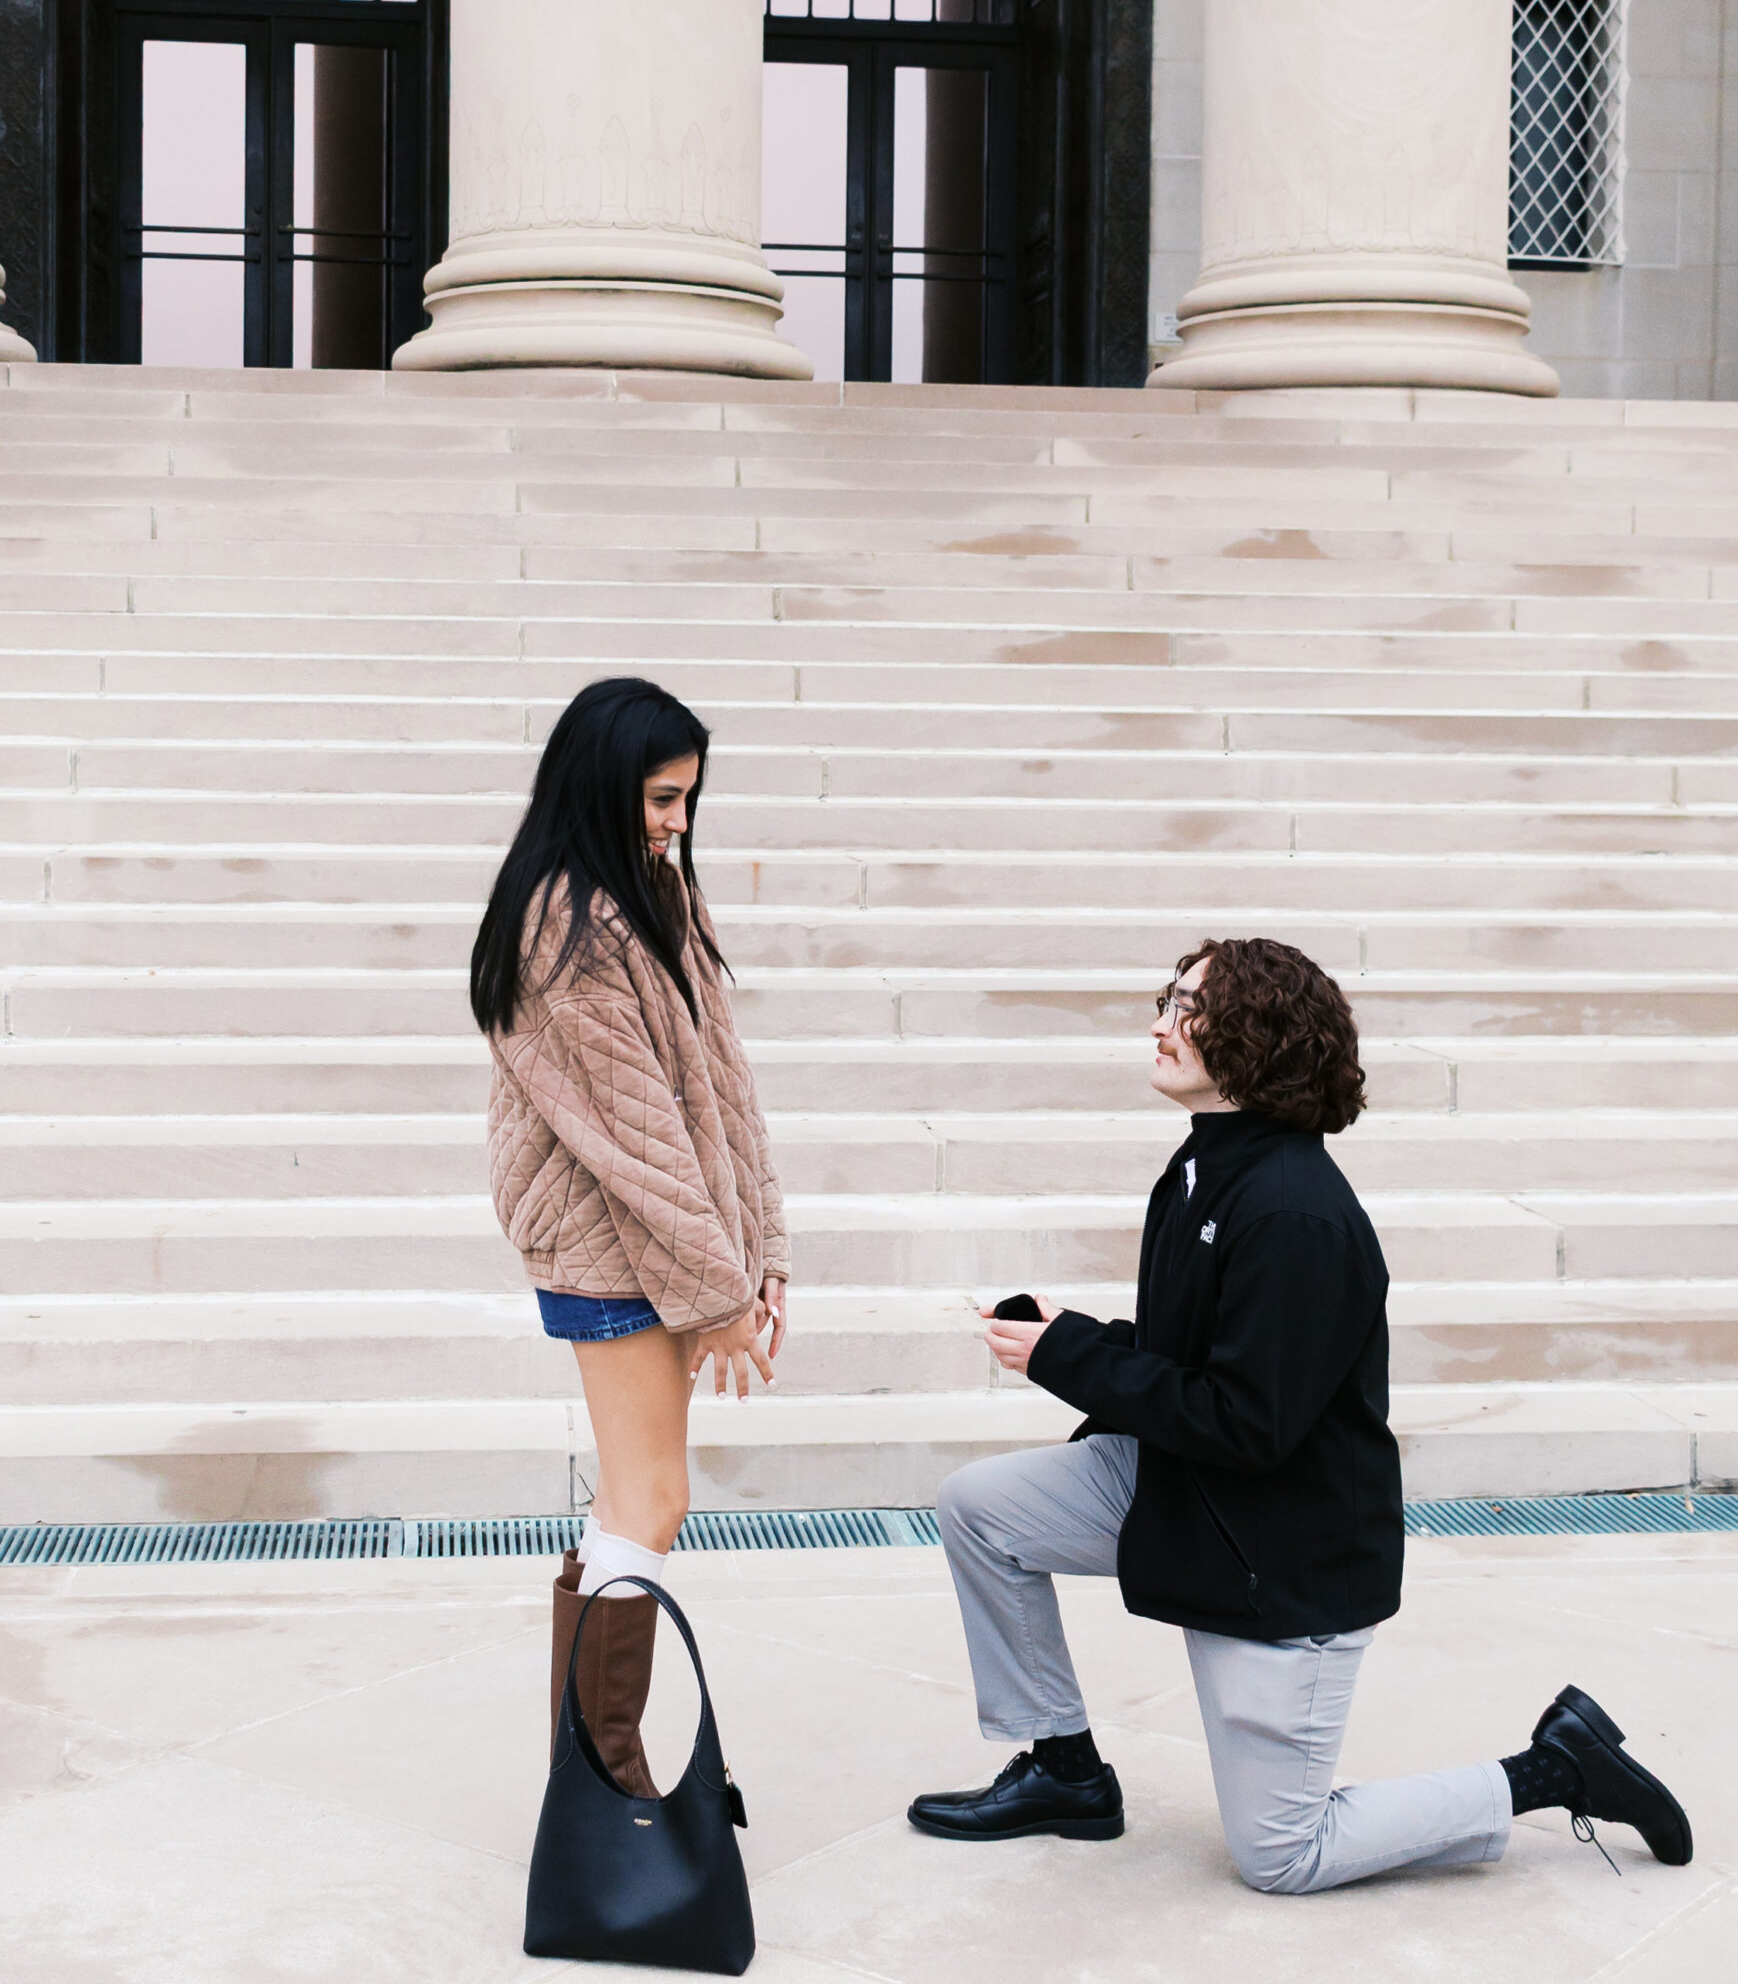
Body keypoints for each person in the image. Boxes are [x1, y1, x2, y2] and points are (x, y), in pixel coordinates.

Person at [909, 938, 1692, 1890]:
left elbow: (1249, 1421)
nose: (1160, 1022)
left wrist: (1070, 1359)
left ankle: (1556, 1769)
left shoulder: (1292, 1214)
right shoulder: (1207, 1169)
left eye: (1187, 1007)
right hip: (1193, 1492)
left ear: (1257, 1037)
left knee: (1283, 1853)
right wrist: (1079, 1336)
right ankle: (1066, 1770)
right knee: (981, 1507)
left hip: (1278, 1551)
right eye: (1167, 999)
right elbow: (1197, 1359)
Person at [472, 676, 786, 1794]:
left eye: (688, 800)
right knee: (652, 1499)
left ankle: (594, 1779)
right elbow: (637, 1140)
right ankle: (607, 1779)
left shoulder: (649, 894)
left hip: (667, 1250)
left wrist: (759, 1261)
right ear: (600, 785)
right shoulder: (564, 926)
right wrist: (722, 1292)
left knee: (632, 1501)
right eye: (660, 798)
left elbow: (724, 1094)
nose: (678, 824)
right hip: (612, 1250)